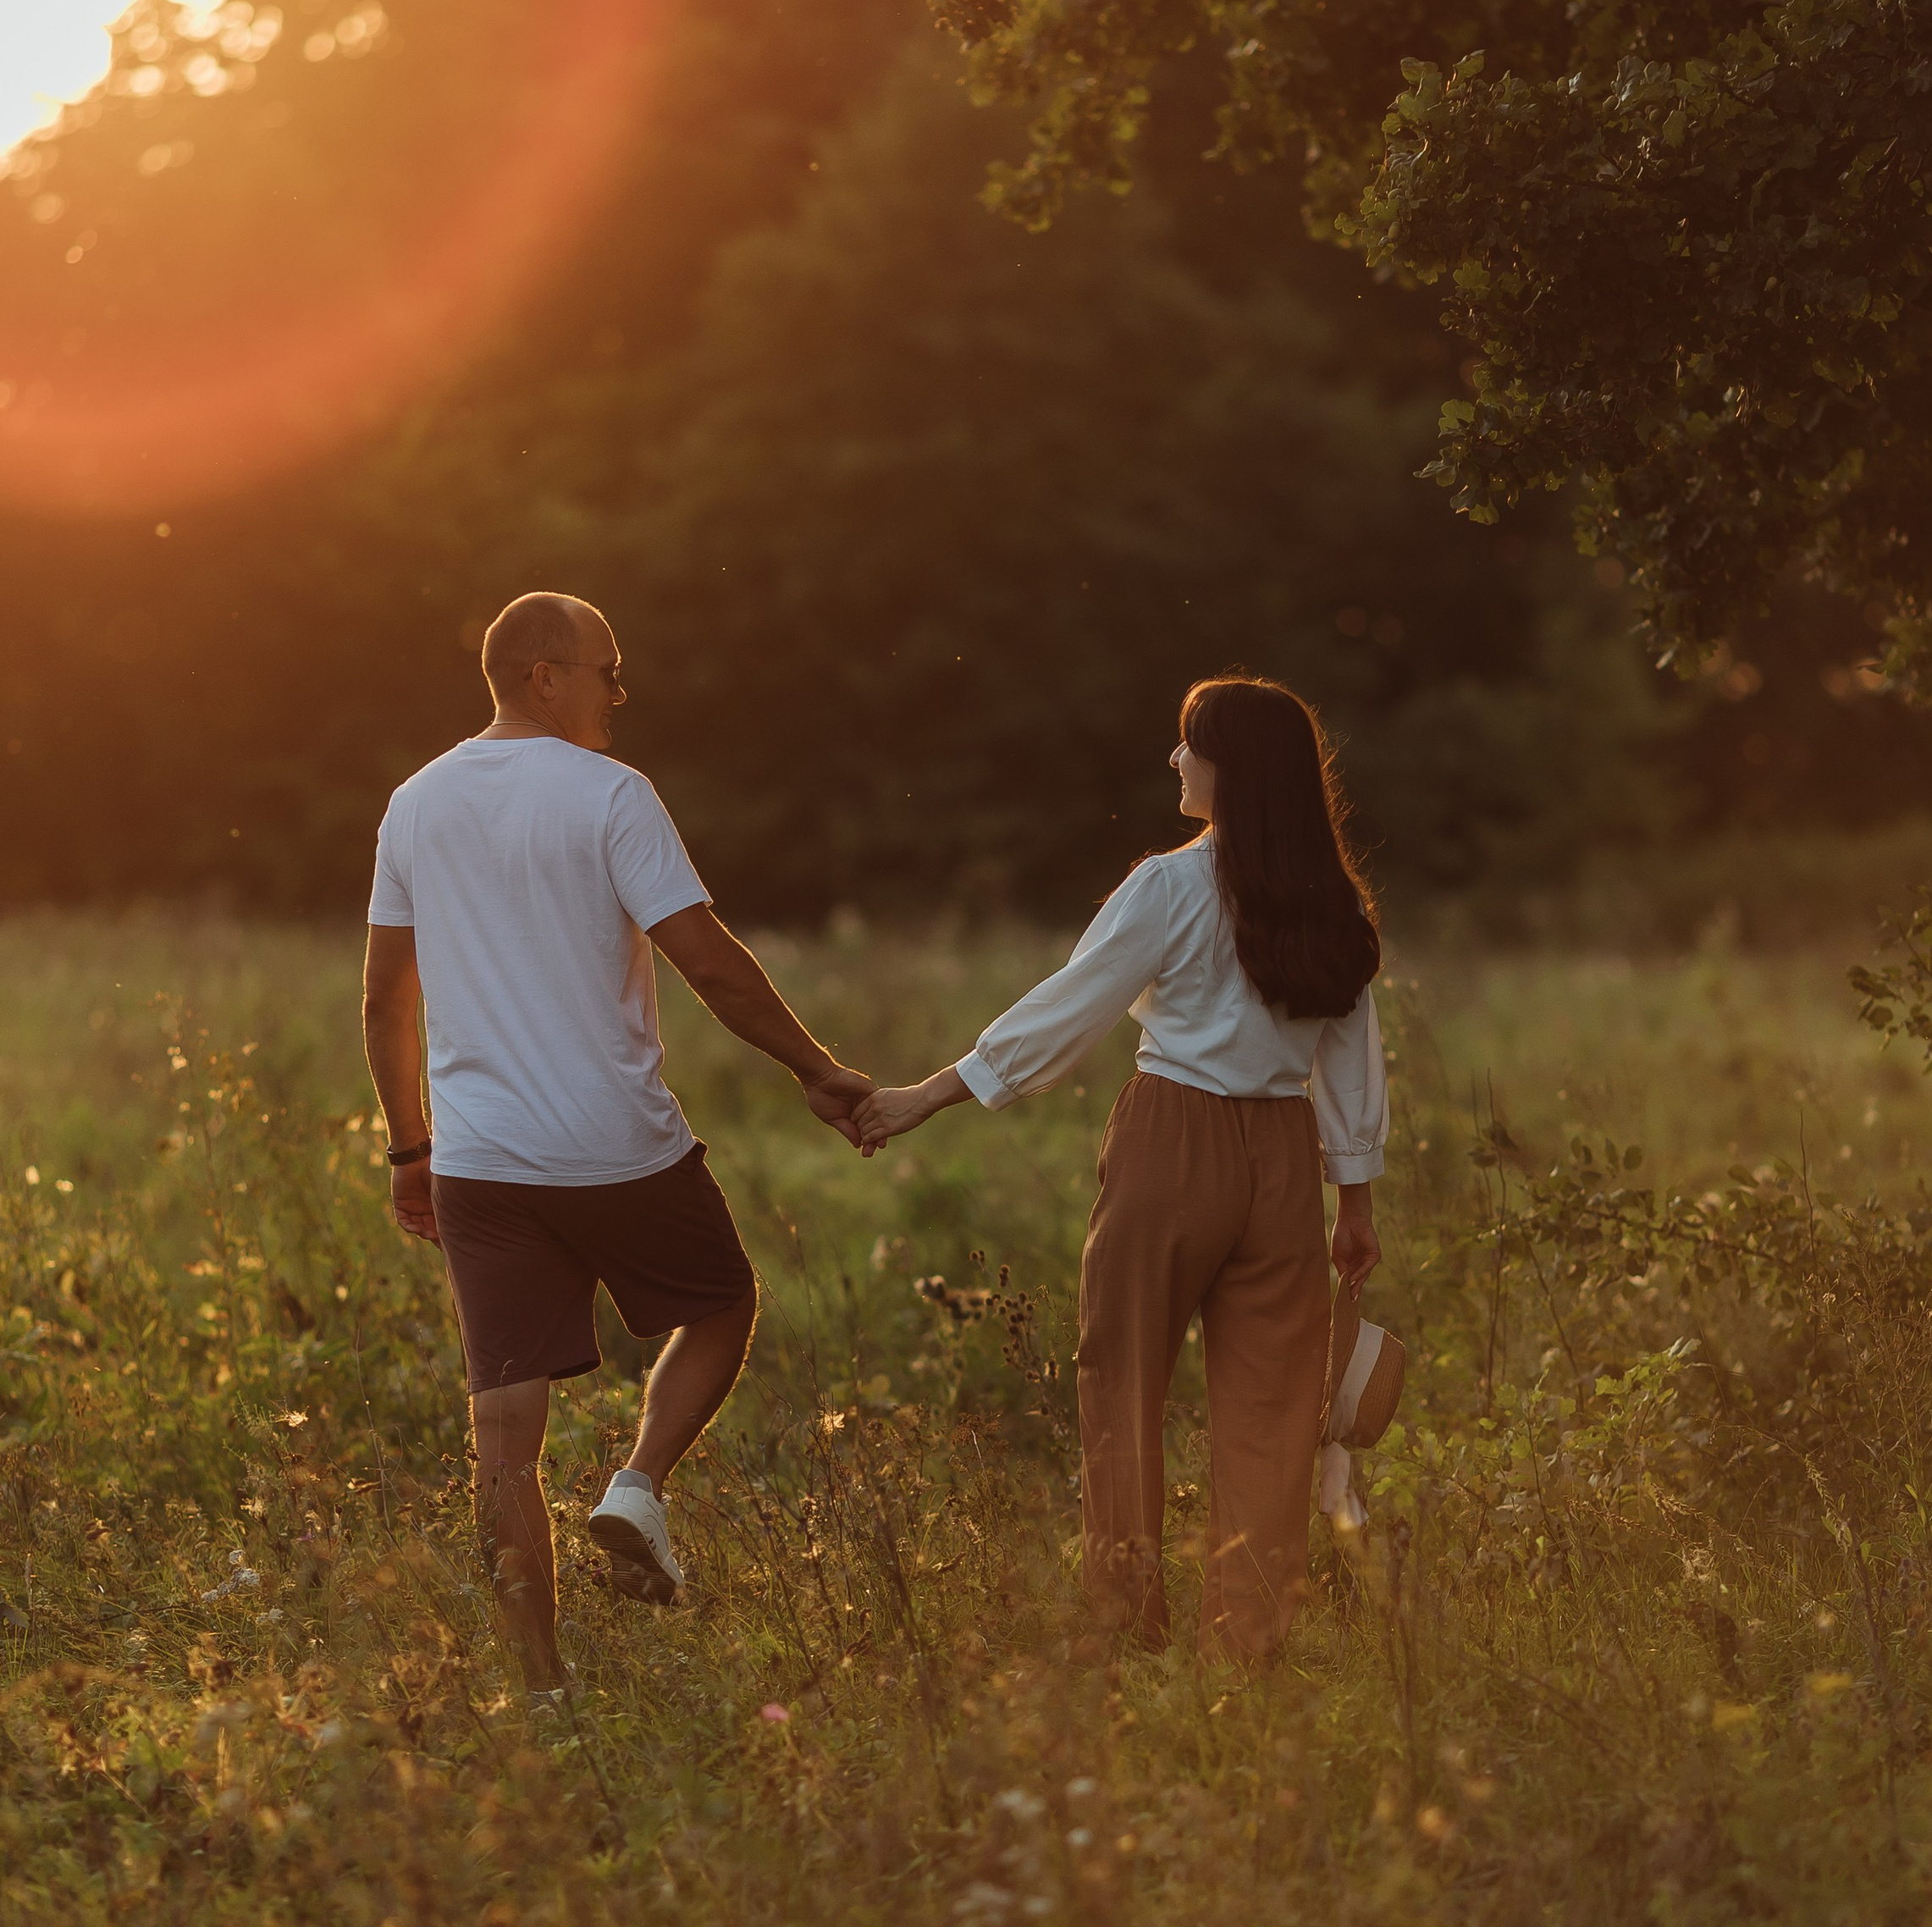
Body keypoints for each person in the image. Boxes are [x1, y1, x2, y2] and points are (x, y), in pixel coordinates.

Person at [362, 589, 870, 1685]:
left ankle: (544, 1695)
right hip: (617, 1149)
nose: (616, 694)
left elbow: (382, 1001)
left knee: (503, 1437)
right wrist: (819, 1072)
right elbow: (712, 962)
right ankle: (638, 1486)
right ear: (546, 676)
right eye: (606, 670)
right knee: (723, 1304)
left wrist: (411, 1151)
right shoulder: (612, 798)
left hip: (480, 1166)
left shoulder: (414, 804)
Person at [856, 676, 1385, 1663]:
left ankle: (1125, 1618)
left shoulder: (1170, 884)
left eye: (1189, 746)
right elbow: (1352, 1061)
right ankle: (1250, 1644)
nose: (1174, 761)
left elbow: (1069, 1008)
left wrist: (926, 1094)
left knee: (1124, 1377)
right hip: (1283, 1159)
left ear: (1230, 767)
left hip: (1171, 1145)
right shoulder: (1334, 900)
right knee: (1272, 1411)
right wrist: (1352, 1200)